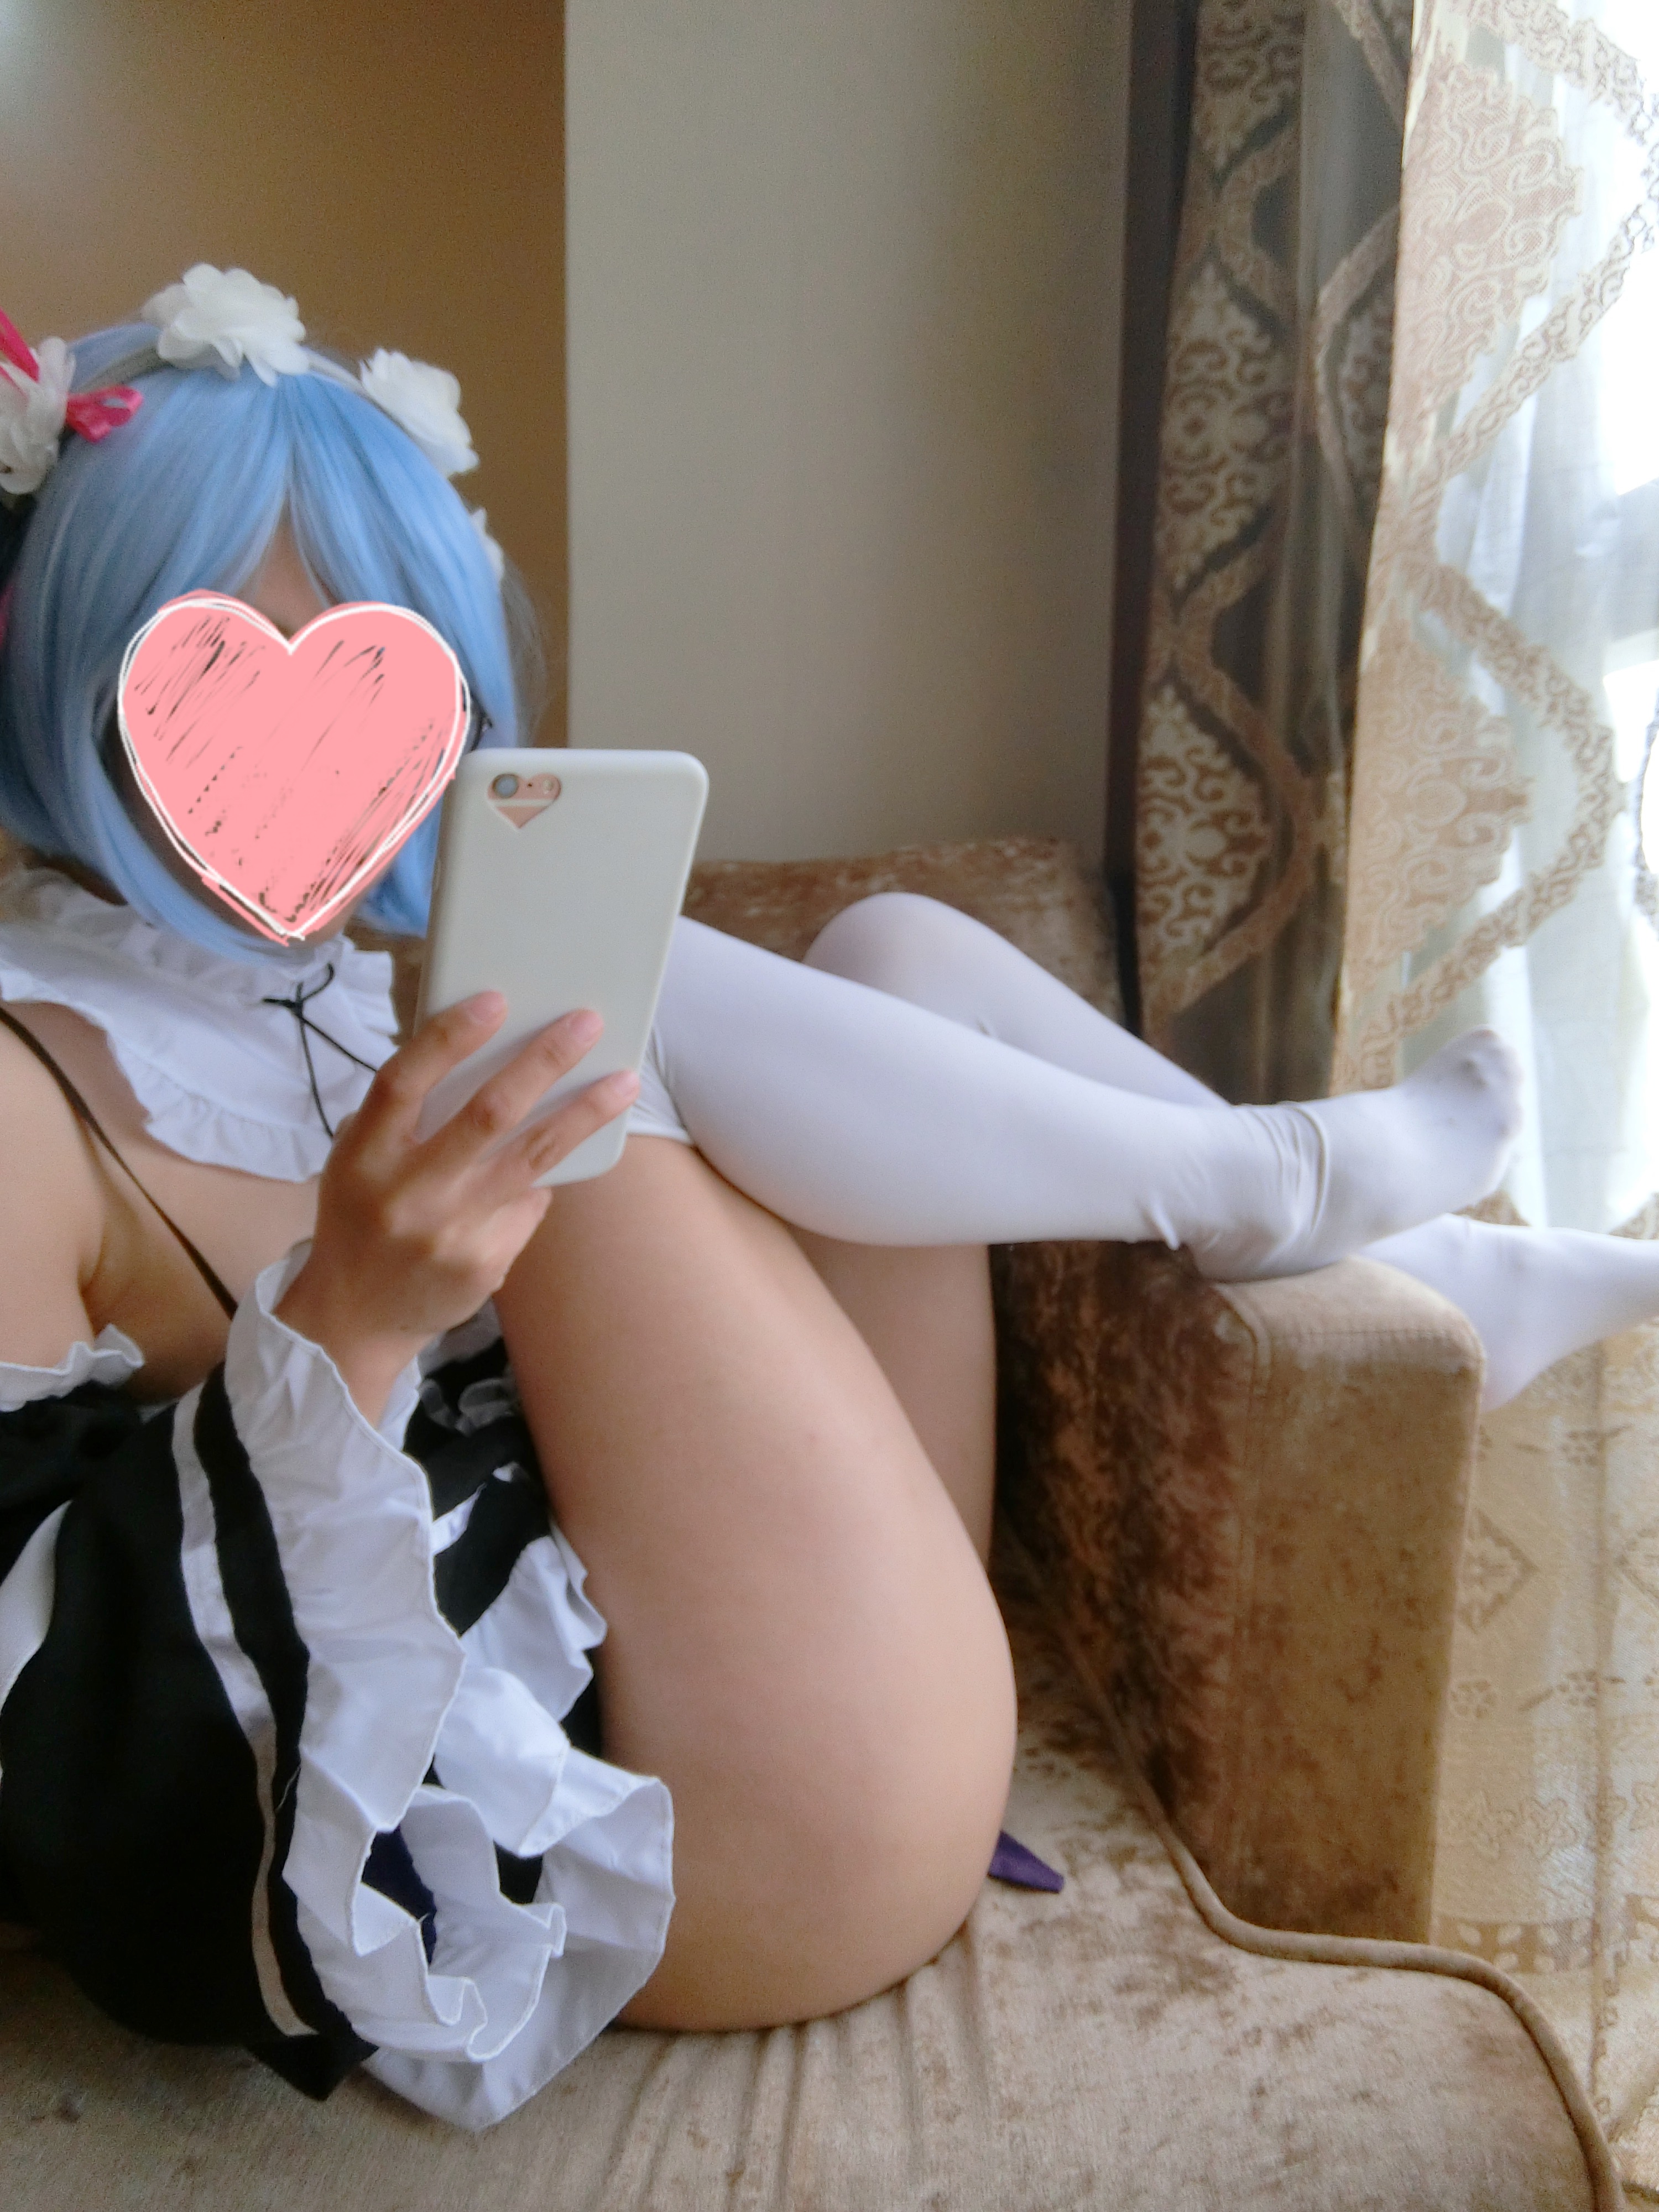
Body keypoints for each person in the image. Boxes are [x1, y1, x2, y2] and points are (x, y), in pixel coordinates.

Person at [2, 271, 1657, 2131]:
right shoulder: (25, 1078)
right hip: (701, 1843)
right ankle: (1256, 1181)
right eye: (213, 670)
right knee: (582, 1018)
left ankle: (1390, 1247)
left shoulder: (375, 980)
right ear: (62, 662)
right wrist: (354, 1327)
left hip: (832, 1629)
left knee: (896, 951)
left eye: (377, 668)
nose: (309, 752)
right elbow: (50, 1728)